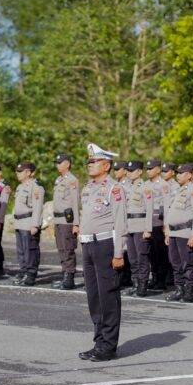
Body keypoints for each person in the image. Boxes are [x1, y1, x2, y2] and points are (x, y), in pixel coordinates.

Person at [78, 143, 126, 362]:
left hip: (105, 245)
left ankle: (108, 345)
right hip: (88, 245)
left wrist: (118, 253)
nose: (89, 165)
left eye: (93, 161)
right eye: (88, 161)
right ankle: (99, 341)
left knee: (108, 296)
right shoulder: (88, 188)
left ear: (106, 165)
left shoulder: (113, 188)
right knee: (94, 297)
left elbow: (120, 222)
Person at [164, 163, 193, 303]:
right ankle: (179, 289)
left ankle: (189, 290)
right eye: (178, 173)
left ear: (191, 175)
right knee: (175, 262)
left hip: (185, 232)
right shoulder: (177, 190)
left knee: (188, 263)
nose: (178, 175)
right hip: (174, 232)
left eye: (182, 173)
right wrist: (168, 233)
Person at [12, 161, 44, 286]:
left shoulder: (36, 187)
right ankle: (24, 271)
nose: (18, 173)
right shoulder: (20, 187)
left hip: (28, 222)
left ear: (29, 173)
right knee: (21, 251)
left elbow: (37, 207)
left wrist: (35, 224)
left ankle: (31, 274)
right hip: (19, 222)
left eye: (21, 171)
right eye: (17, 171)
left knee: (30, 249)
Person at [124, 161, 153, 296]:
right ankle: (135, 283)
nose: (129, 173)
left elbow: (149, 209)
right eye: (128, 170)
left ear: (140, 172)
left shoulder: (146, 187)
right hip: (129, 225)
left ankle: (143, 285)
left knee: (142, 257)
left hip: (141, 225)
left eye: (132, 170)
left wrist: (148, 229)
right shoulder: (127, 187)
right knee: (132, 257)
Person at [53, 153, 80, 290]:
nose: (57, 165)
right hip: (58, 219)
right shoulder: (59, 180)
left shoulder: (72, 181)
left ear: (67, 164)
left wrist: (76, 223)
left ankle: (69, 278)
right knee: (61, 248)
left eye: (60, 162)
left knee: (68, 249)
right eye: (57, 163)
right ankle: (64, 275)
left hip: (67, 220)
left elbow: (75, 202)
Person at [146, 160, 170, 289]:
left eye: (151, 168)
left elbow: (166, 205)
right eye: (147, 169)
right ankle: (154, 277)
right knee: (151, 253)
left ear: (158, 170)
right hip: (148, 222)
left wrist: (165, 224)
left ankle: (162, 279)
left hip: (159, 222)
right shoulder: (145, 185)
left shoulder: (163, 185)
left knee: (160, 252)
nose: (148, 171)